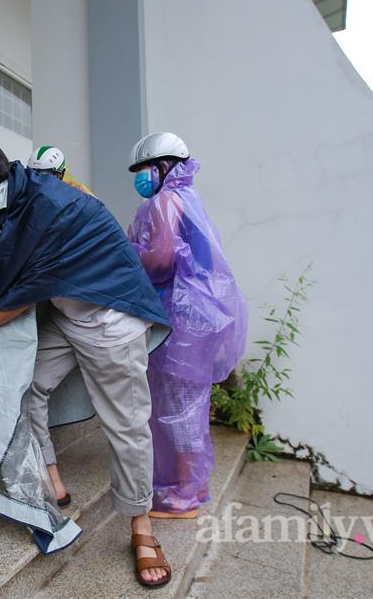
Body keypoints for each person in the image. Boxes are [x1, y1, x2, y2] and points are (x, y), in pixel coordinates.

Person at [0, 136, 174, 587]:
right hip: (66, 313)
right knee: (26, 388)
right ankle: (51, 480)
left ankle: (142, 529)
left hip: (108, 316)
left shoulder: (49, 207)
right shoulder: (9, 206)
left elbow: (21, 295)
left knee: (127, 426)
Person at [127, 132, 248, 518]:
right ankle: (193, 485)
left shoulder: (166, 199)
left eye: (145, 169)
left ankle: (181, 495)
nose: (141, 177)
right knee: (190, 406)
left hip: (181, 318)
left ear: (163, 167)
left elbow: (161, 258)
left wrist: (126, 257)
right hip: (199, 316)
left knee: (176, 409)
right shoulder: (189, 199)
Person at [27, 144, 93, 195]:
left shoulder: (78, 191)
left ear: (59, 175)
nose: (35, 179)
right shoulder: (26, 191)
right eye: (31, 172)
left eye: (42, 174)